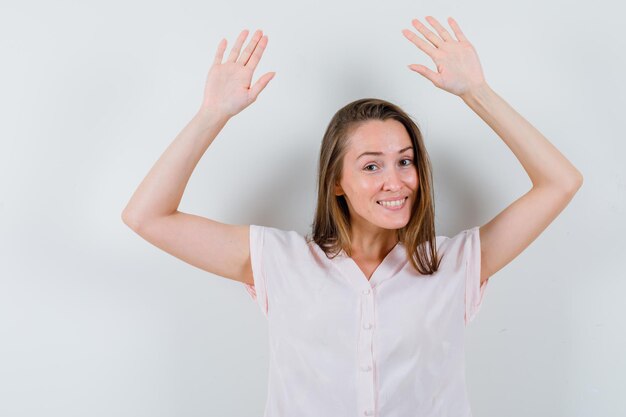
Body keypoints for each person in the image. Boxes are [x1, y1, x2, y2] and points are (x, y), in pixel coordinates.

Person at [122, 16, 583, 417]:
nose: (396, 181)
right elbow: (147, 216)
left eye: (405, 161)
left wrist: (477, 93)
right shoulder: (279, 260)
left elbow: (560, 182)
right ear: (336, 183)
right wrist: (212, 114)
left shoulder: (456, 263)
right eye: (371, 166)